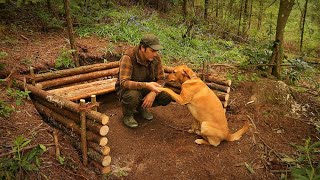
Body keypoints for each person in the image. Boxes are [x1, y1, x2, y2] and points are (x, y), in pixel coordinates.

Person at [115, 34, 172, 128]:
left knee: (166, 96)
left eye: (156, 51)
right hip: (127, 90)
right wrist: (146, 85)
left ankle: (142, 107)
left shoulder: (155, 58)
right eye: (152, 51)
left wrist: (153, 93)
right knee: (133, 95)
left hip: (147, 87)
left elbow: (161, 79)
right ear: (142, 48)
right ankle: (128, 114)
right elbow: (124, 82)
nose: (155, 54)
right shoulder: (128, 57)